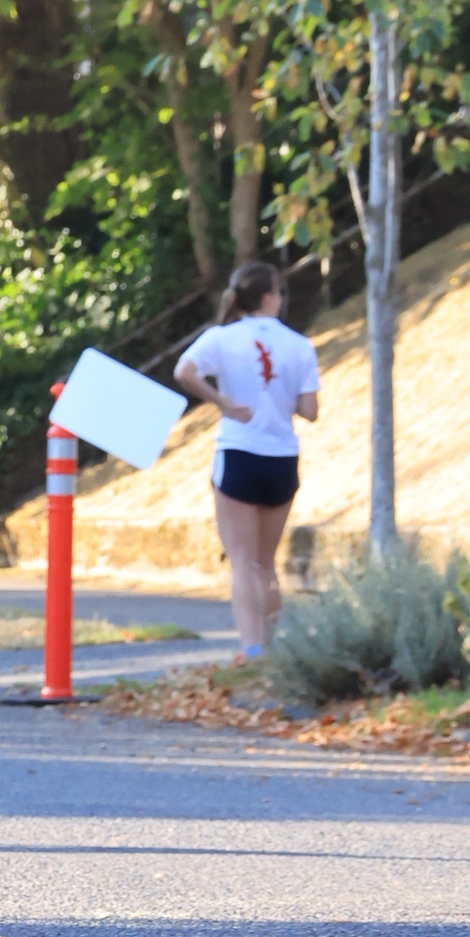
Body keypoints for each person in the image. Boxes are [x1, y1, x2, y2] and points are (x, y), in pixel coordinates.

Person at [175, 260, 320, 656]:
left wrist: (222, 401)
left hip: (239, 452)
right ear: (269, 297)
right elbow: (309, 410)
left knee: (241, 562)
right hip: (282, 458)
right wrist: (281, 397)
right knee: (265, 562)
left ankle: (251, 650)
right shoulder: (300, 345)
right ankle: (272, 650)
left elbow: (184, 371)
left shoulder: (221, 338)